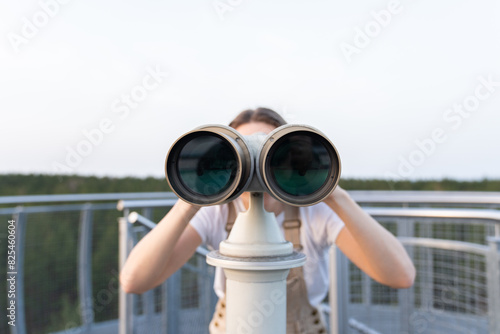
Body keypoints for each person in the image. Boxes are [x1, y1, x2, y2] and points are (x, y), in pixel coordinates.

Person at [120, 107, 416, 333]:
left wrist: (329, 188)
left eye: (268, 151)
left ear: (288, 154)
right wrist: (193, 195)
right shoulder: (218, 211)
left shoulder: (314, 211)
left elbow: (399, 275)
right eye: (241, 151)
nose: (254, 164)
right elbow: (134, 280)